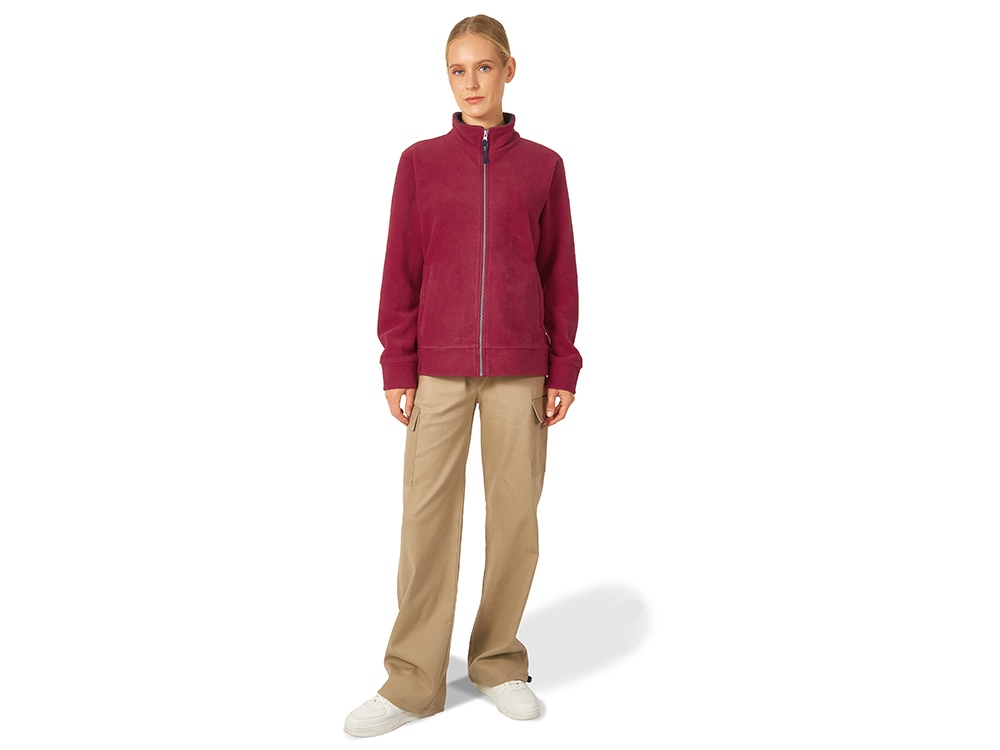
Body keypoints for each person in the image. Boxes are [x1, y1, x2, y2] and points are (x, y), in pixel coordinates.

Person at [344, 14, 582, 738]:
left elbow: (559, 272)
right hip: (438, 372)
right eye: (457, 70)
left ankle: (498, 662)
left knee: (515, 522)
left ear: (509, 69)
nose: (470, 83)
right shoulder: (419, 163)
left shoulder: (543, 166)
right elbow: (401, 266)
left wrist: (563, 364)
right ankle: (412, 680)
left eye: (483, 67)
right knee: (426, 522)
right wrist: (397, 361)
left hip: (520, 369)